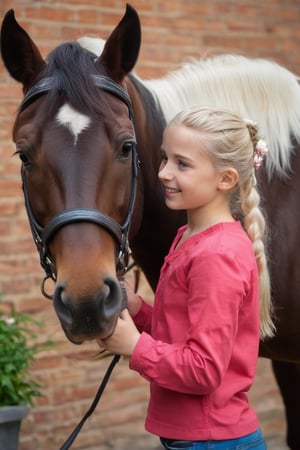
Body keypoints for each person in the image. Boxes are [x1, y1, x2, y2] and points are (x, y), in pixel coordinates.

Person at [99, 106, 276, 449]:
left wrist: (135, 347)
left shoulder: (216, 256)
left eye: (182, 164)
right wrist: (136, 308)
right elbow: (179, 334)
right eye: (164, 158)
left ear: (225, 179)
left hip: (212, 440)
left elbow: (203, 370)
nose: (163, 173)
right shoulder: (188, 237)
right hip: (196, 438)